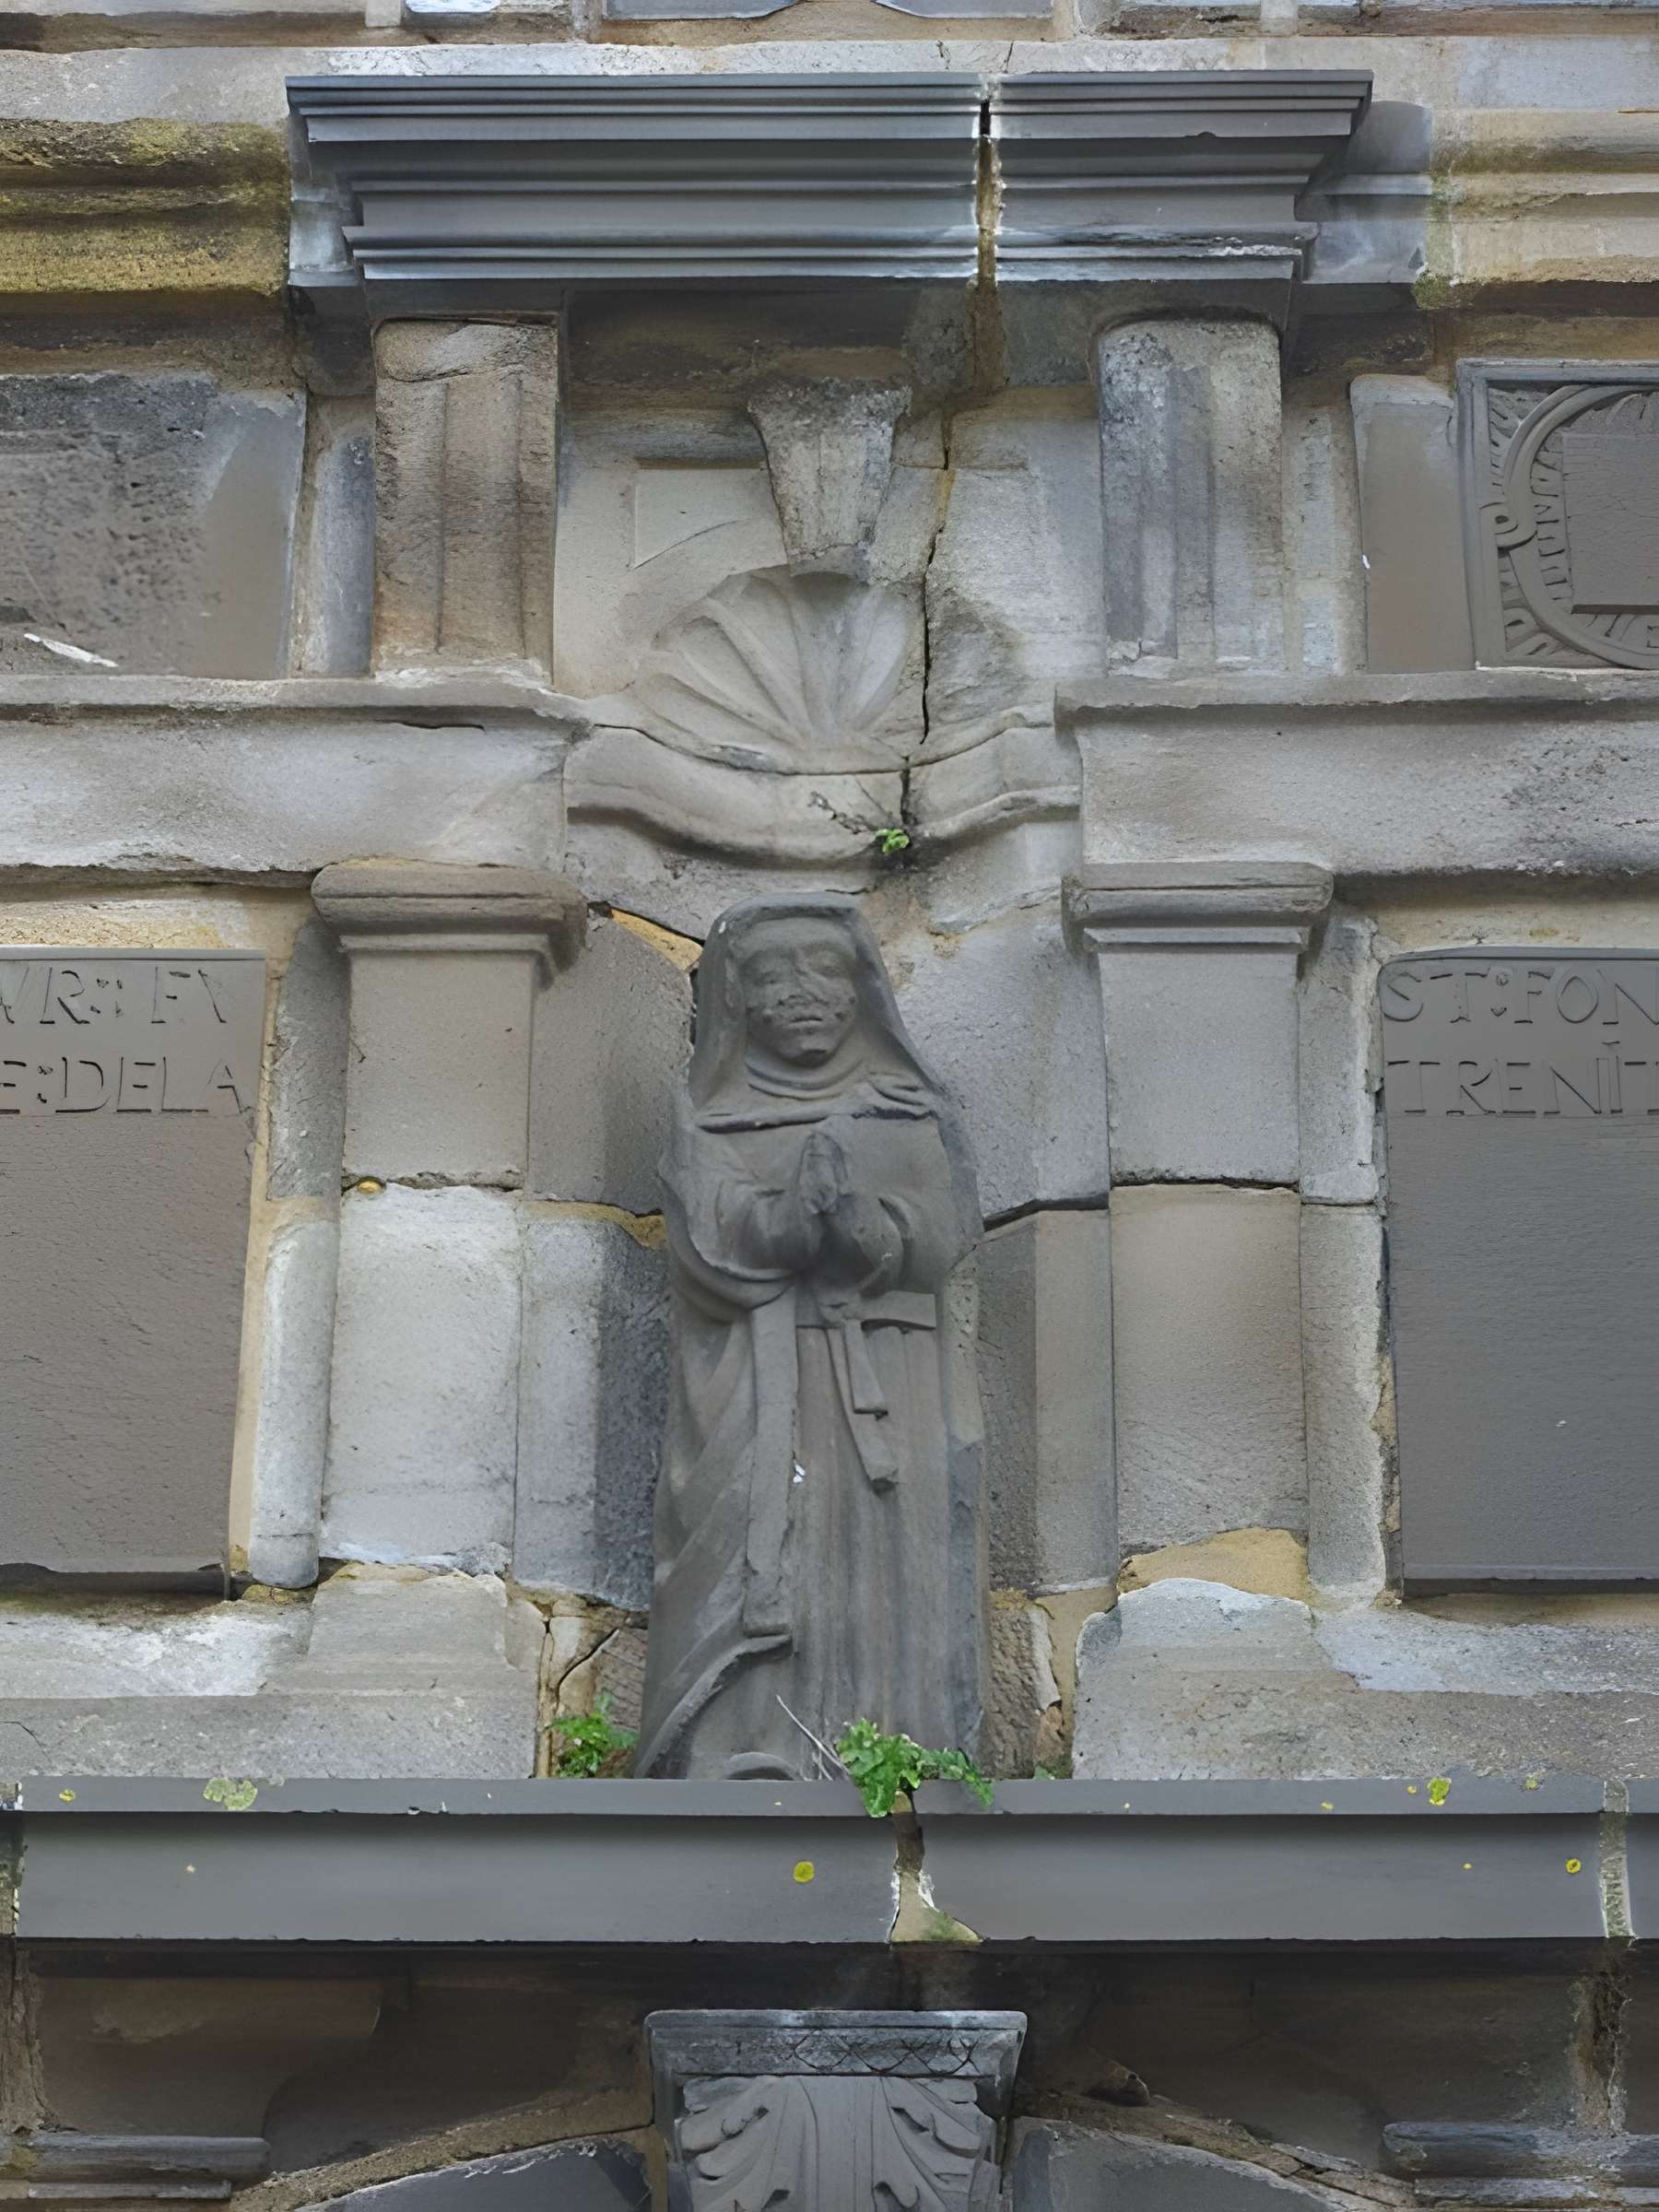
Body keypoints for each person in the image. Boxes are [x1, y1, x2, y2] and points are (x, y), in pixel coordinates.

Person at [634, 893, 990, 1780]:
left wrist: (871, 1228)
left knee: (884, 1557)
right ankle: (742, 1746)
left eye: (824, 969)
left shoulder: (909, 1112)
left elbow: (941, 1234)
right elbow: (708, 1239)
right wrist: (793, 1217)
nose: (801, 991)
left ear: (859, 987)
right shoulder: (704, 1118)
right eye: (771, 974)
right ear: (737, 1000)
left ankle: (895, 1746)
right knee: (760, 1548)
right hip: (754, 1380)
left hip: (889, 1374)